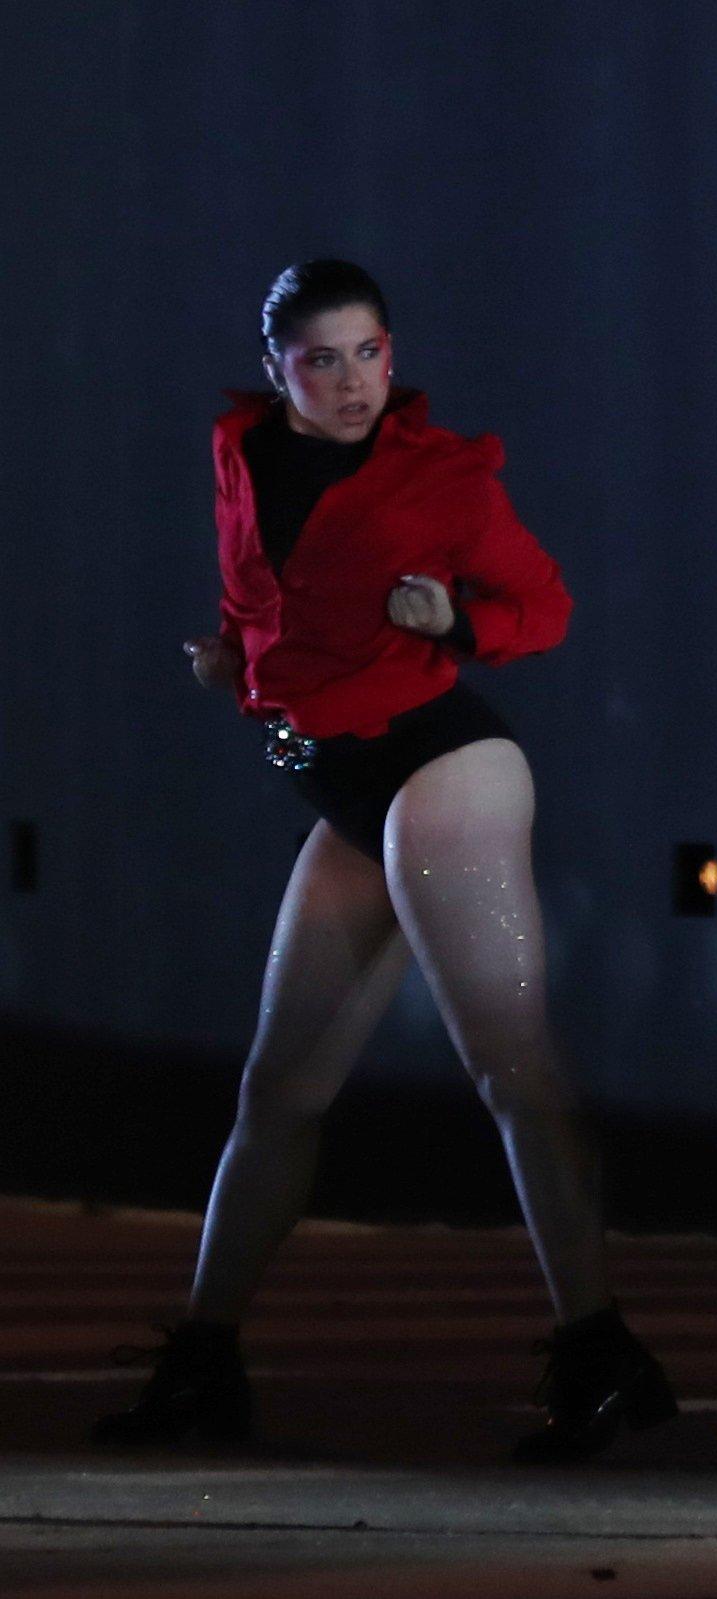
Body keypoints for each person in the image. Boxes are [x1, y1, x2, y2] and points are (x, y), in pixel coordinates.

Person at [97, 260, 673, 1464]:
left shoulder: (441, 478)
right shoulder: (241, 454)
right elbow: (269, 604)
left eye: (371, 353)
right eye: (323, 359)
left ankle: (603, 1355)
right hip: (346, 790)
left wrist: (454, 625)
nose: (355, 382)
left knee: (511, 1066)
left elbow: (547, 606)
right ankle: (203, 1366)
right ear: (278, 369)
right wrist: (240, 671)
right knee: (278, 1093)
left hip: (442, 768)